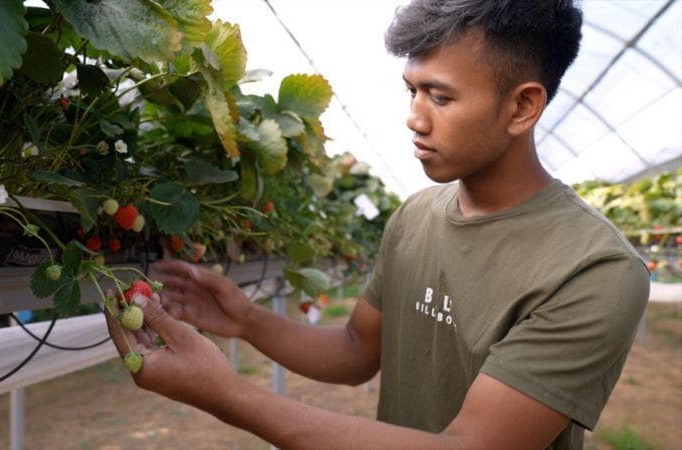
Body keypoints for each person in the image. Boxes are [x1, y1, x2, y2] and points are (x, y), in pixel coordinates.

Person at [104, 1, 650, 448]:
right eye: (411, 90)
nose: (414, 116)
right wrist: (246, 319)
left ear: (522, 107)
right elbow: (356, 351)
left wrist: (226, 395)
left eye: (440, 96)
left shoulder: (593, 268)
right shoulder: (416, 216)